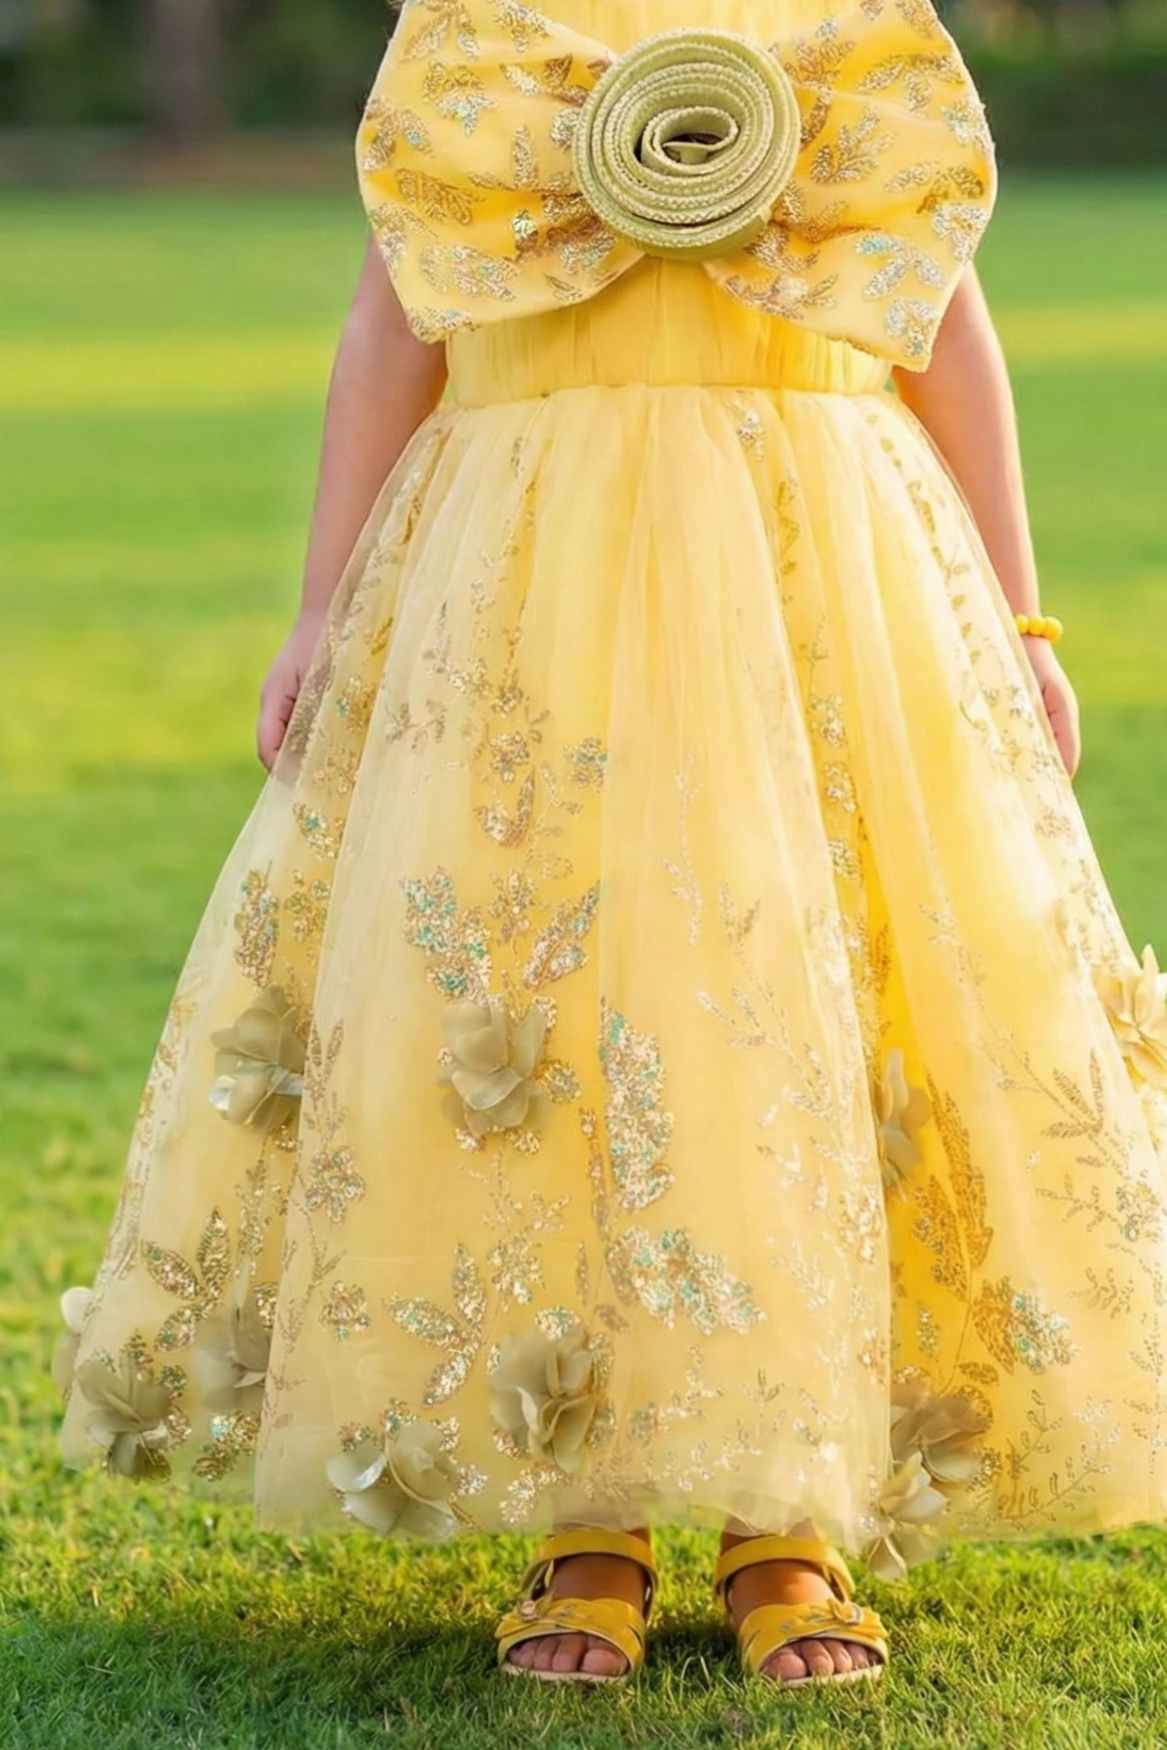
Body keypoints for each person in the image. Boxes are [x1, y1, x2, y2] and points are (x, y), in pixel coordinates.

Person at [57, 0, 1167, 1691]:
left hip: (813, 568)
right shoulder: (481, 23)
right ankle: (592, 1516)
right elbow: (396, 310)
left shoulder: (848, 13)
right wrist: (323, 607)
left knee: (800, 1011)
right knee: (556, 1020)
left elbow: (938, 307)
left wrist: (1020, 619)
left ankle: (788, 1518)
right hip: (529, 575)